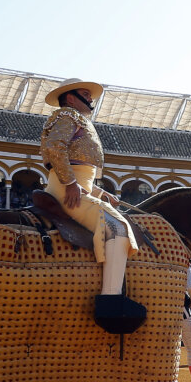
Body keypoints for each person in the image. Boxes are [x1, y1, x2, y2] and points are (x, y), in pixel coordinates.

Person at [39, 78, 141, 323]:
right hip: (65, 190)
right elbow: (55, 147)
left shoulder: (78, 120)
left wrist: (99, 193)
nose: (91, 98)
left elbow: (82, 176)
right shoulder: (67, 116)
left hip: (76, 188)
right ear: (71, 97)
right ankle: (110, 301)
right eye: (85, 93)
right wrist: (71, 183)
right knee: (116, 227)